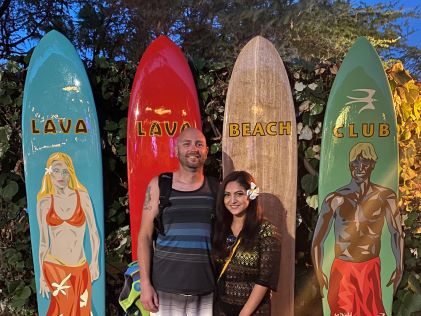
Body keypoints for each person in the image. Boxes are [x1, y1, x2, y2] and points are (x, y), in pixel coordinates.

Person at [311, 142, 404, 316]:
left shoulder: (386, 197)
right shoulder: (335, 199)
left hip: (371, 269)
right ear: (349, 165)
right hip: (343, 269)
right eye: (355, 163)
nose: (360, 168)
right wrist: (318, 271)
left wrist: (400, 266)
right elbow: (318, 240)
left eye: (365, 163)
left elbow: (396, 232)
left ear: (373, 165)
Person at [137, 127, 217, 316]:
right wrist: (145, 284)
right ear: (176, 150)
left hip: (205, 288)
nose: (193, 148)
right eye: (187, 143)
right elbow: (145, 237)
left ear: (206, 151)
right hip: (165, 289)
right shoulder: (159, 184)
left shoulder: (216, 187)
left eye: (199, 144)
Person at [37, 152, 100, 316]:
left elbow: (94, 232)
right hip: (54, 267)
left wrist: (94, 262)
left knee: (82, 311)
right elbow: (43, 241)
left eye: (65, 171)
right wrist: (42, 277)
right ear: (49, 172)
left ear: (70, 173)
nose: (61, 176)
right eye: (56, 170)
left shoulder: (83, 197)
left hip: (81, 267)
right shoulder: (44, 202)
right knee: (66, 310)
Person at [212, 171, 281, 316]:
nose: (232, 200)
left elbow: (264, 279)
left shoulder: (267, 230)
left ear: (251, 195)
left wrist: (244, 314)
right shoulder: (219, 228)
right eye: (227, 194)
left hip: (254, 311)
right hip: (220, 309)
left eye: (239, 194)